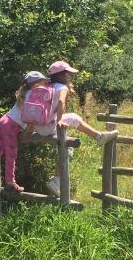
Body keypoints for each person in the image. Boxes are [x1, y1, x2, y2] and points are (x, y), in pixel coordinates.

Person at [37, 60, 118, 196]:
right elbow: (61, 102)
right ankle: (99, 137)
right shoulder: (61, 88)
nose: (70, 77)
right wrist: (60, 120)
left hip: (38, 126)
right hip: (49, 126)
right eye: (68, 74)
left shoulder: (45, 86)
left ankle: (98, 136)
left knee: (72, 123)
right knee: (70, 131)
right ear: (62, 75)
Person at [0, 71, 51, 192]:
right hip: (12, 126)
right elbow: (32, 117)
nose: (45, 84)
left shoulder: (25, 93)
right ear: (35, 84)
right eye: (42, 82)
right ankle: (10, 182)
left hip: (4, 121)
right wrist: (27, 132)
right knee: (11, 155)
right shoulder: (34, 95)